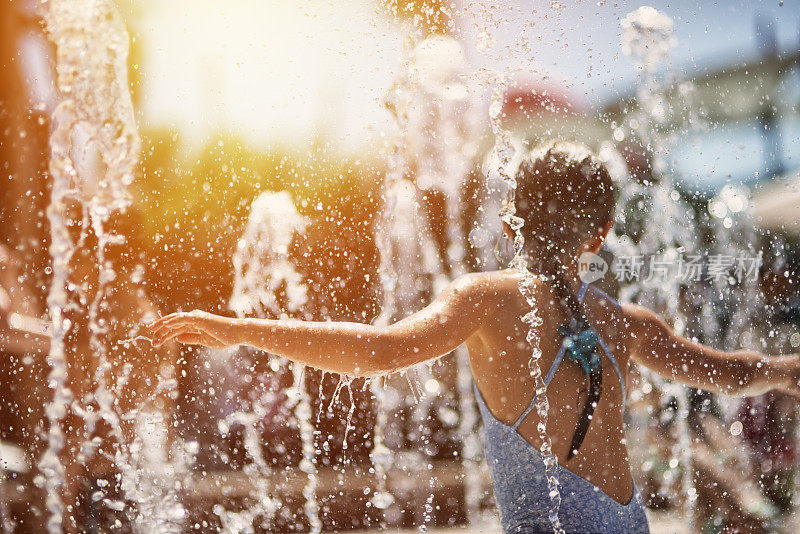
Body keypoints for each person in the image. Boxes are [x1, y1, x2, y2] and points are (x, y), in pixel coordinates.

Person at [150, 140, 800, 533]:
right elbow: (728, 370)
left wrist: (238, 328)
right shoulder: (627, 324)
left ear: (513, 217)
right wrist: (783, 367)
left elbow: (377, 351)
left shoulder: (484, 300)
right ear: (601, 232)